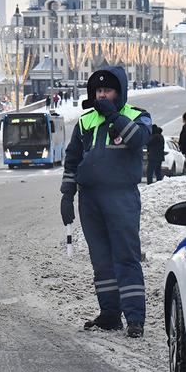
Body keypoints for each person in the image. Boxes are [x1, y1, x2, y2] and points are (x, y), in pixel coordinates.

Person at [60, 66, 153, 339]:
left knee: (126, 257)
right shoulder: (85, 121)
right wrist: (67, 193)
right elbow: (73, 159)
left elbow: (139, 140)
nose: (102, 95)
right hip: (90, 198)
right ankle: (110, 315)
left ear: (120, 92)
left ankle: (135, 318)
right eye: (98, 91)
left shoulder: (137, 116)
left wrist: (113, 115)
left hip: (121, 196)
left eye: (108, 90)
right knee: (101, 260)